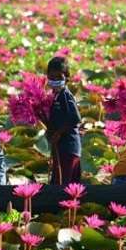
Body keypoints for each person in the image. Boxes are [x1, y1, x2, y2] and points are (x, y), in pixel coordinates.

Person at [45, 56, 82, 185]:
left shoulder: (65, 95)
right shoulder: (54, 96)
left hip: (69, 147)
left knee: (63, 185)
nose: (54, 81)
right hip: (61, 148)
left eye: (58, 78)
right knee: (59, 182)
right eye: (51, 78)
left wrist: (58, 133)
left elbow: (75, 118)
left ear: (67, 78)